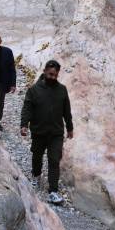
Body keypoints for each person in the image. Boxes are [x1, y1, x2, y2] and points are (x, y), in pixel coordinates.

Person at [20, 60, 73, 204]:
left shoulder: (62, 90)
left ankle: (53, 191)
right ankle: (36, 176)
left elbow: (66, 111)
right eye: (50, 74)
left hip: (56, 133)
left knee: (54, 160)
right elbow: (27, 108)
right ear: (44, 71)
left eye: (55, 75)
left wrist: (70, 127)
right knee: (37, 156)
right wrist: (24, 124)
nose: (52, 78)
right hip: (39, 131)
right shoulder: (33, 90)